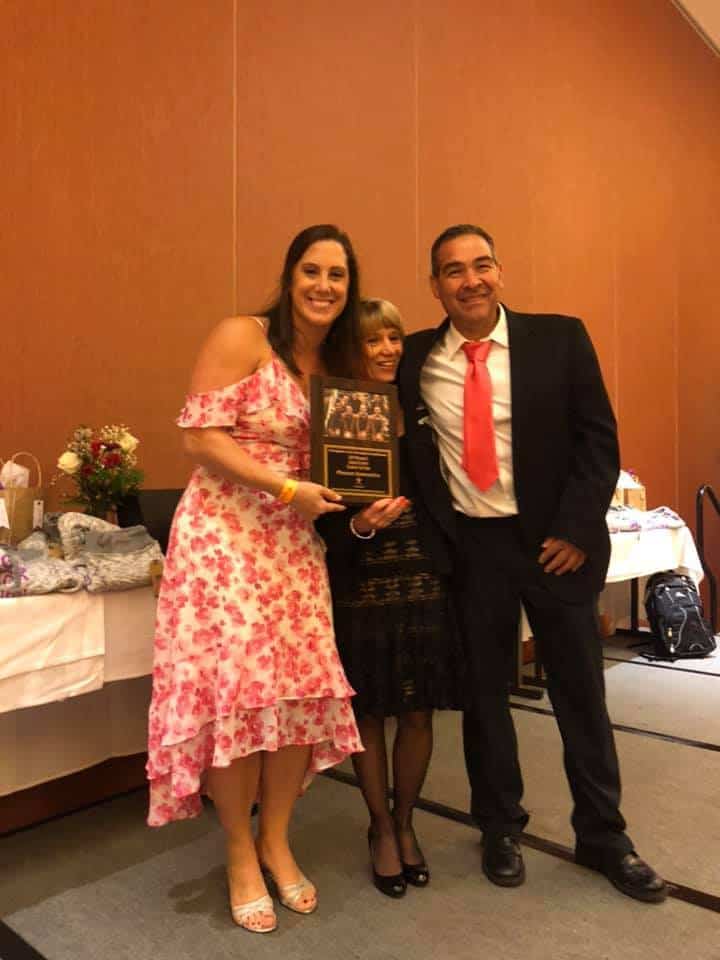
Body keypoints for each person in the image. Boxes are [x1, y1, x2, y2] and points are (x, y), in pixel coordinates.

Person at [396, 225, 668, 903]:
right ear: (435, 286)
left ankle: (604, 836)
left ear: (500, 271)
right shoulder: (415, 358)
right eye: (453, 271)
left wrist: (577, 529)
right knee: (486, 699)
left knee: (581, 696)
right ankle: (499, 826)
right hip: (474, 550)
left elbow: (598, 441)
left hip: (555, 545)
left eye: (482, 264)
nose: (471, 280)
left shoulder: (559, 339)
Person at [146, 224, 364, 933]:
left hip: (293, 545)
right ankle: (240, 849)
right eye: (311, 270)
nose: (323, 285)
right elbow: (198, 436)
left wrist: (364, 501)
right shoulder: (243, 336)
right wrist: (284, 488)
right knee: (236, 698)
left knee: (298, 691)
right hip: (224, 538)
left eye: (337, 274)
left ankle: (276, 838)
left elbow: (341, 462)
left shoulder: (337, 364)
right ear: (290, 275)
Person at [317, 298, 466, 898]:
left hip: (424, 576)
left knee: (419, 710)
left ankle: (406, 822)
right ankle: (379, 827)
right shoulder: (334, 415)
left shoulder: (422, 406)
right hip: (363, 579)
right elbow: (322, 515)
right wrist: (359, 525)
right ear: (352, 349)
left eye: (394, 338)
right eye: (373, 340)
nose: (387, 350)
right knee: (370, 712)